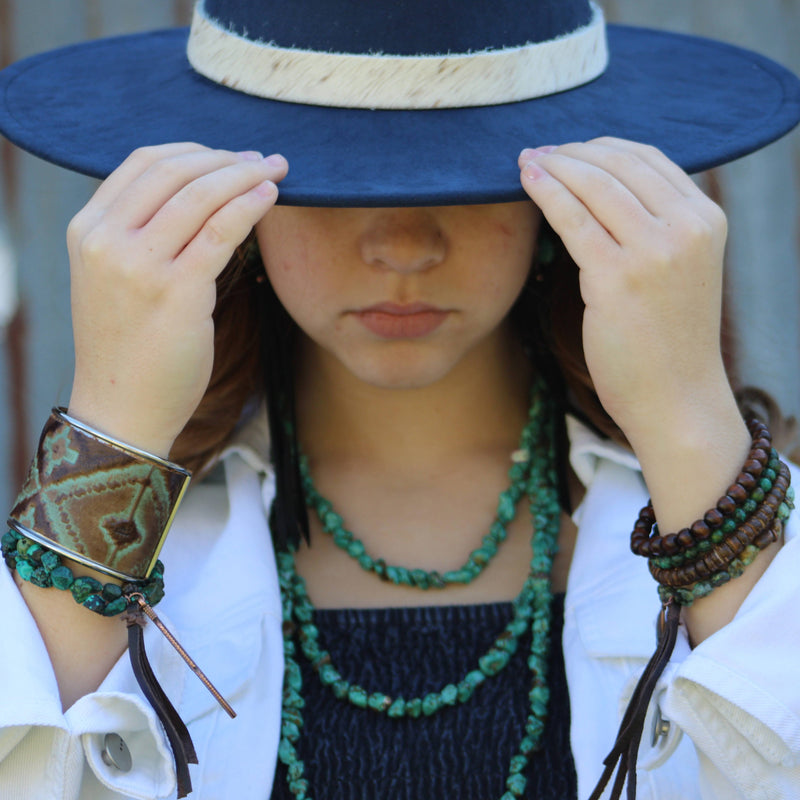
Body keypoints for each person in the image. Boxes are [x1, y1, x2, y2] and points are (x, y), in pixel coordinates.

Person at [0, 0, 799, 798]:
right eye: (330, 180)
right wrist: (113, 423)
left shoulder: (724, 496)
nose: (403, 244)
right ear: (234, 205)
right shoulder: (141, 535)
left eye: (470, 175)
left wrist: (687, 419)